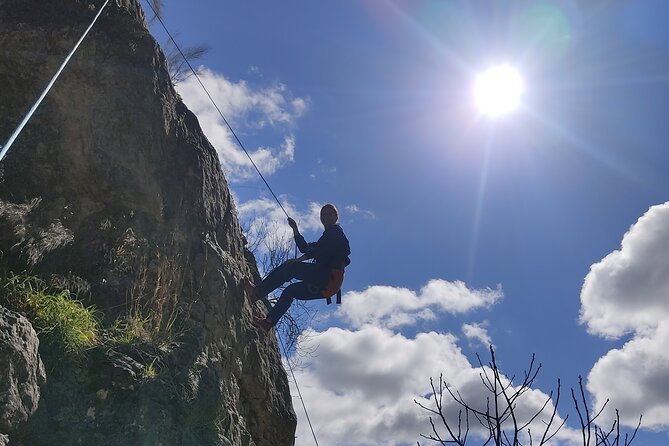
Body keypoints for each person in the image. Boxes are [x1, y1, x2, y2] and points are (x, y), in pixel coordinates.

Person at [246, 203, 351, 333]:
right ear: (320, 218)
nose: (326, 216)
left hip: (328, 277)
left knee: (290, 268)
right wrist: (295, 229)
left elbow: (319, 250)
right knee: (291, 291)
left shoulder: (336, 232)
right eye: (324, 214)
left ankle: (256, 293)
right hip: (328, 286)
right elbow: (306, 248)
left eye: (330, 214)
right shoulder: (326, 237)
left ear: (336, 217)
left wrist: (299, 260)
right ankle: (268, 322)